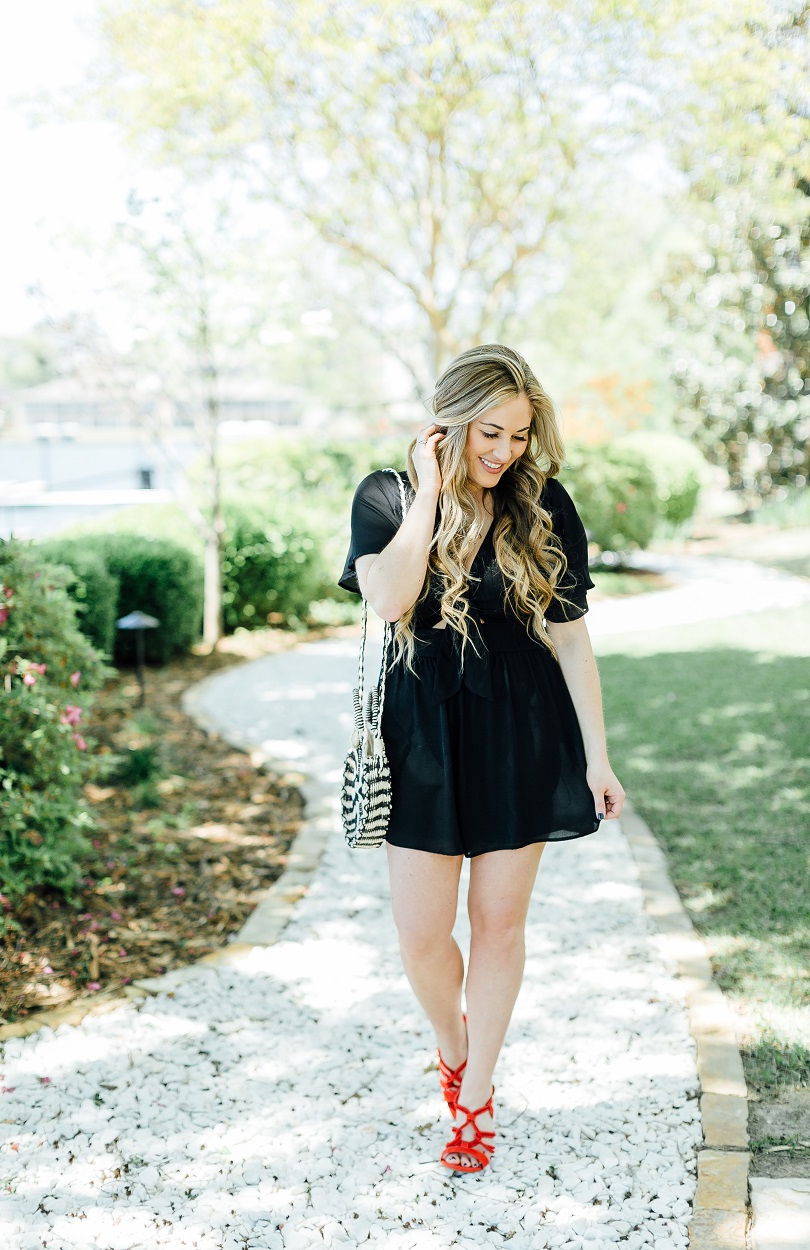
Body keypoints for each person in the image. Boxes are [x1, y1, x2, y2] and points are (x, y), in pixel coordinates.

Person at [338, 344, 626, 1174]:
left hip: (521, 731)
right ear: (451, 422)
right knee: (421, 936)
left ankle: (477, 1097)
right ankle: (453, 1043)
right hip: (420, 732)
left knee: (499, 925)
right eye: (488, 433)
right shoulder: (385, 495)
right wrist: (430, 492)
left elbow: (572, 642)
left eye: (518, 436)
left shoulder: (543, 505)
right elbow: (391, 600)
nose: (503, 453)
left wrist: (596, 759)